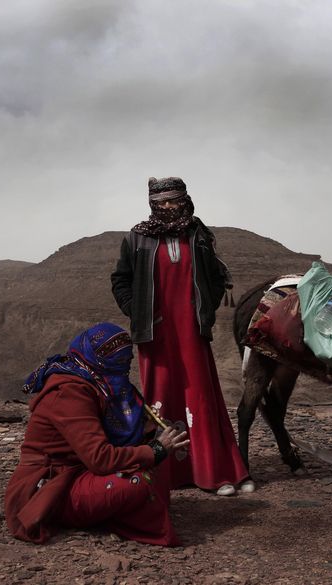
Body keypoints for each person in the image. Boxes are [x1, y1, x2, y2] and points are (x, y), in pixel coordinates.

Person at [110, 176, 252, 496]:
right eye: (161, 203)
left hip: (191, 329)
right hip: (155, 332)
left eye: (174, 200)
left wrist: (204, 310)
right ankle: (166, 474)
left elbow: (216, 278)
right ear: (152, 204)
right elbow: (120, 280)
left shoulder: (198, 234)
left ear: (185, 199)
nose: (169, 207)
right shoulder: (137, 238)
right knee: (160, 395)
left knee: (200, 397)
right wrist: (138, 310)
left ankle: (212, 472)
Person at [4, 322, 189, 546]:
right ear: (101, 361)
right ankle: (89, 513)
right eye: (118, 362)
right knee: (137, 479)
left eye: (127, 362)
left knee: (157, 459)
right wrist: (155, 449)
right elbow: (100, 459)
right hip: (54, 483)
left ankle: (108, 510)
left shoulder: (99, 382)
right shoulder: (71, 391)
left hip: (81, 470)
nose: (124, 368)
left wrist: (149, 433)